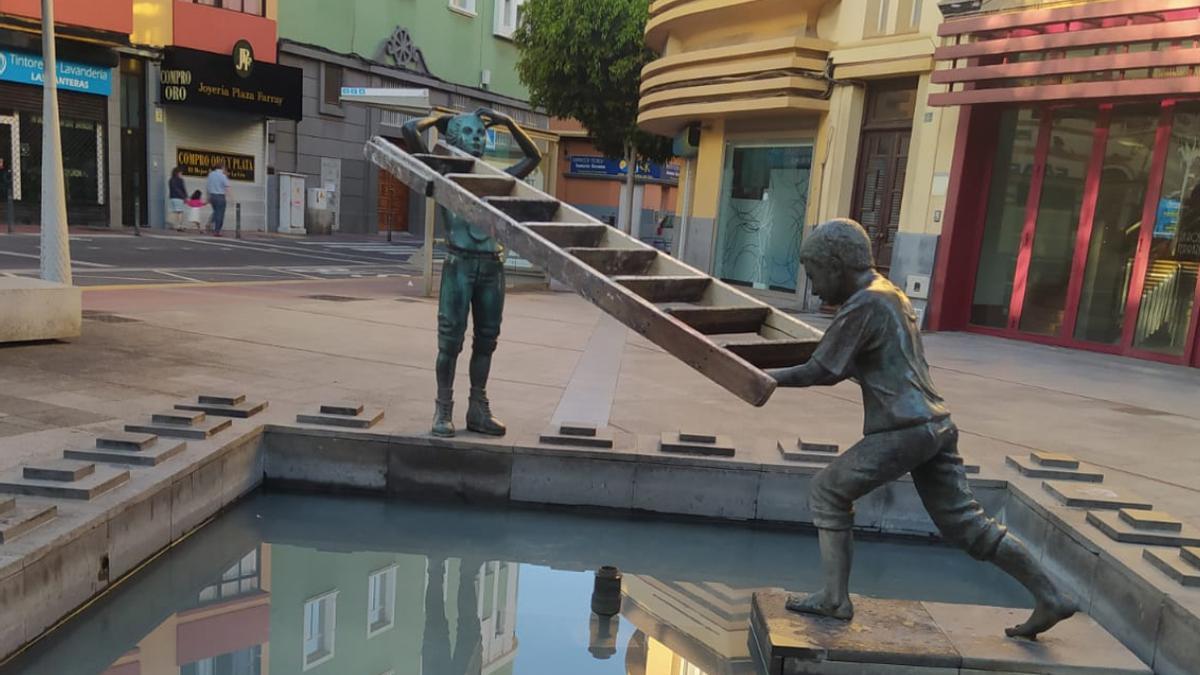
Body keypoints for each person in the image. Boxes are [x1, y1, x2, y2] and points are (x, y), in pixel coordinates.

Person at [766, 218, 1077, 639]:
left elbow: (822, 369)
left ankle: (835, 599)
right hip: (936, 423)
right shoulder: (890, 295)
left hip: (904, 428)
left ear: (837, 264)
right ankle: (1050, 594)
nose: (814, 286)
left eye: (815, 274)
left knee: (827, 490)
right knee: (967, 524)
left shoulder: (863, 304)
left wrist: (766, 377)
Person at [401, 108, 541, 438]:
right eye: (469, 133)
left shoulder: (496, 180)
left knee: (487, 341)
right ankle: (443, 408)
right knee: (450, 343)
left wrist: (509, 123)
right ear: (453, 138)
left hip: (492, 266)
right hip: (459, 265)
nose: (477, 140)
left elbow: (533, 156)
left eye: (481, 135)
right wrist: (438, 120)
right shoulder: (443, 173)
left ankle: (478, 407)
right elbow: (409, 129)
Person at [205, 161, 231, 237]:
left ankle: (210, 225)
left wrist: (208, 197)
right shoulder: (222, 175)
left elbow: (208, 187)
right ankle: (217, 231)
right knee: (220, 214)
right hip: (220, 196)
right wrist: (231, 198)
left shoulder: (211, 175)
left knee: (216, 212)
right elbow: (227, 187)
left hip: (212, 196)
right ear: (222, 167)